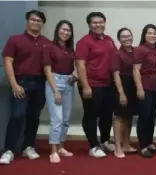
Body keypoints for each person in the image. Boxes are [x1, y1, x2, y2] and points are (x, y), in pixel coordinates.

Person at [0, 10, 50, 164]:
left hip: (40, 83)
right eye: (33, 20)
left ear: (42, 24)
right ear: (27, 21)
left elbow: (49, 66)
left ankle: (28, 146)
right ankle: (8, 150)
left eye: (39, 20)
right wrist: (14, 84)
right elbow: (7, 62)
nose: (36, 22)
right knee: (17, 116)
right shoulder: (15, 40)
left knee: (34, 117)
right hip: (21, 82)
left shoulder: (46, 42)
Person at [75, 12, 117, 158]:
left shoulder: (109, 40)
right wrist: (85, 86)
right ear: (89, 25)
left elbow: (115, 59)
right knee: (91, 115)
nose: (98, 25)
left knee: (106, 115)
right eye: (95, 22)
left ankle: (105, 140)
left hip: (108, 85)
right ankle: (93, 146)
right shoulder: (84, 41)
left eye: (101, 22)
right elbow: (80, 65)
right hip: (92, 85)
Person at [43, 20, 77, 163]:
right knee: (56, 118)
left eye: (68, 30)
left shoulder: (70, 50)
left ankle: (61, 147)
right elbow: (47, 70)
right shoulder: (49, 47)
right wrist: (55, 90)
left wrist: (75, 75)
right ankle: (53, 151)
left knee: (65, 119)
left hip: (68, 84)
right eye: (63, 29)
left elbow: (75, 66)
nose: (66, 33)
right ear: (57, 30)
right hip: (54, 82)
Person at [133, 24, 156, 158]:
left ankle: (149, 142)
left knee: (152, 117)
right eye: (149, 33)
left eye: (154, 33)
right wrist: (139, 88)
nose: (152, 35)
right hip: (145, 87)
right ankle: (143, 146)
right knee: (144, 117)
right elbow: (136, 70)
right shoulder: (140, 49)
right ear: (144, 35)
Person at [112, 27, 138, 158]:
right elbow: (116, 75)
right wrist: (121, 93)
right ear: (119, 39)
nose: (127, 39)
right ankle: (117, 147)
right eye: (123, 37)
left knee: (129, 116)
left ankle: (126, 144)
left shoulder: (136, 51)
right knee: (120, 117)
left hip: (134, 86)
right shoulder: (117, 54)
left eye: (129, 36)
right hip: (122, 85)